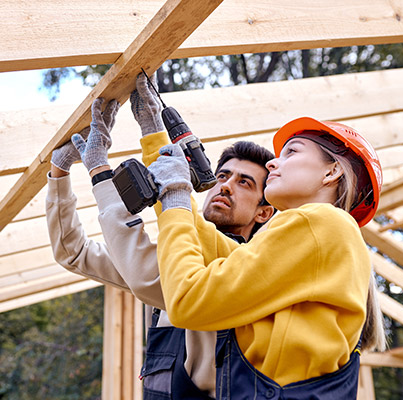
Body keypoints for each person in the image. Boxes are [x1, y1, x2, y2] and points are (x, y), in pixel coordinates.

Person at [45, 76, 275, 398]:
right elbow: (74, 252)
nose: (225, 185)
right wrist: (60, 172)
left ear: (263, 213)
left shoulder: (247, 266)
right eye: (223, 175)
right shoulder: (178, 253)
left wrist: (102, 170)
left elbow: (146, 273)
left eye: (244, 183)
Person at [147, 117, 387, 399]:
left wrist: (175, 192)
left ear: (331, 171)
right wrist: (156, 144)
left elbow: (189, 299)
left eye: (292, 151)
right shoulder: (309, 238)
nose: (273, 163)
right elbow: (209, 244)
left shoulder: (321, 222)